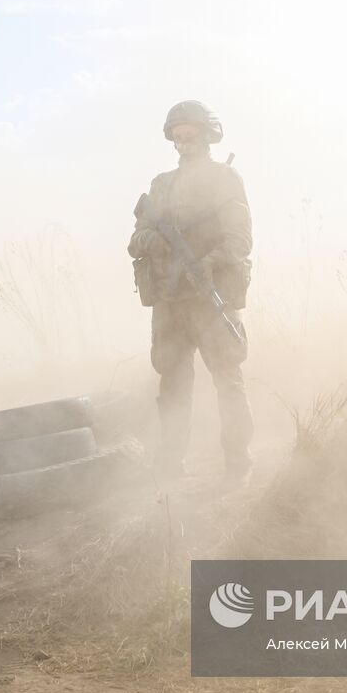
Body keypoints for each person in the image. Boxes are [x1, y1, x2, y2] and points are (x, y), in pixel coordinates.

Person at [128, 100, 254, 480]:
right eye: (177, 135)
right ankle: (170, 465)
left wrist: (210, 261)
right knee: (172, 385)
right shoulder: (160, 185)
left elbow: (241, 239)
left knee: (228, 381)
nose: (184, 141)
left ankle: (238, 463)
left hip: (211, 299)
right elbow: (136, 239)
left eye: (191, 133)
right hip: (170, 302)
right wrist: (155, 241)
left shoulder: (224, 179)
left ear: (206, 135)